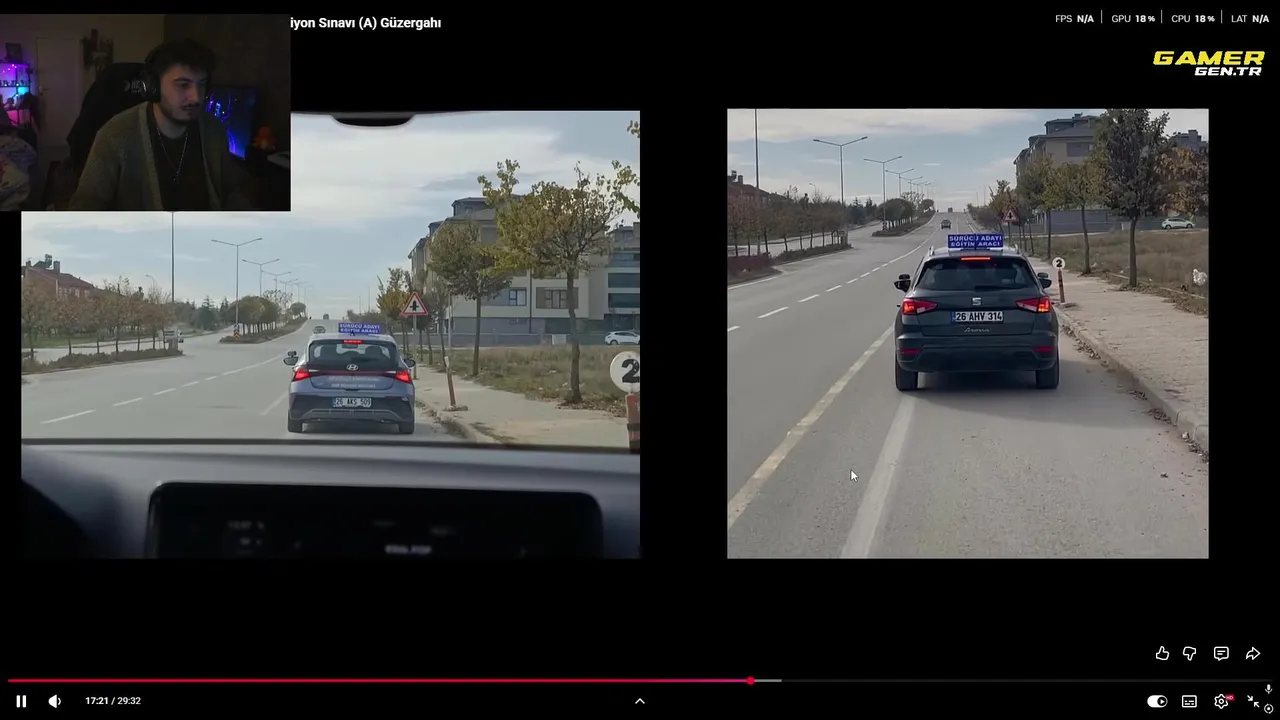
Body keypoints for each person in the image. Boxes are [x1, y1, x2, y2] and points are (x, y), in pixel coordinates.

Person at [69, 39, 253, 211]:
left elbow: (230, 192)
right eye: (183, 85)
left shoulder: (214, 131)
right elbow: (85, 208)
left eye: (202, 84)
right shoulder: (115, 136)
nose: (196, 98)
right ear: (153, 86)